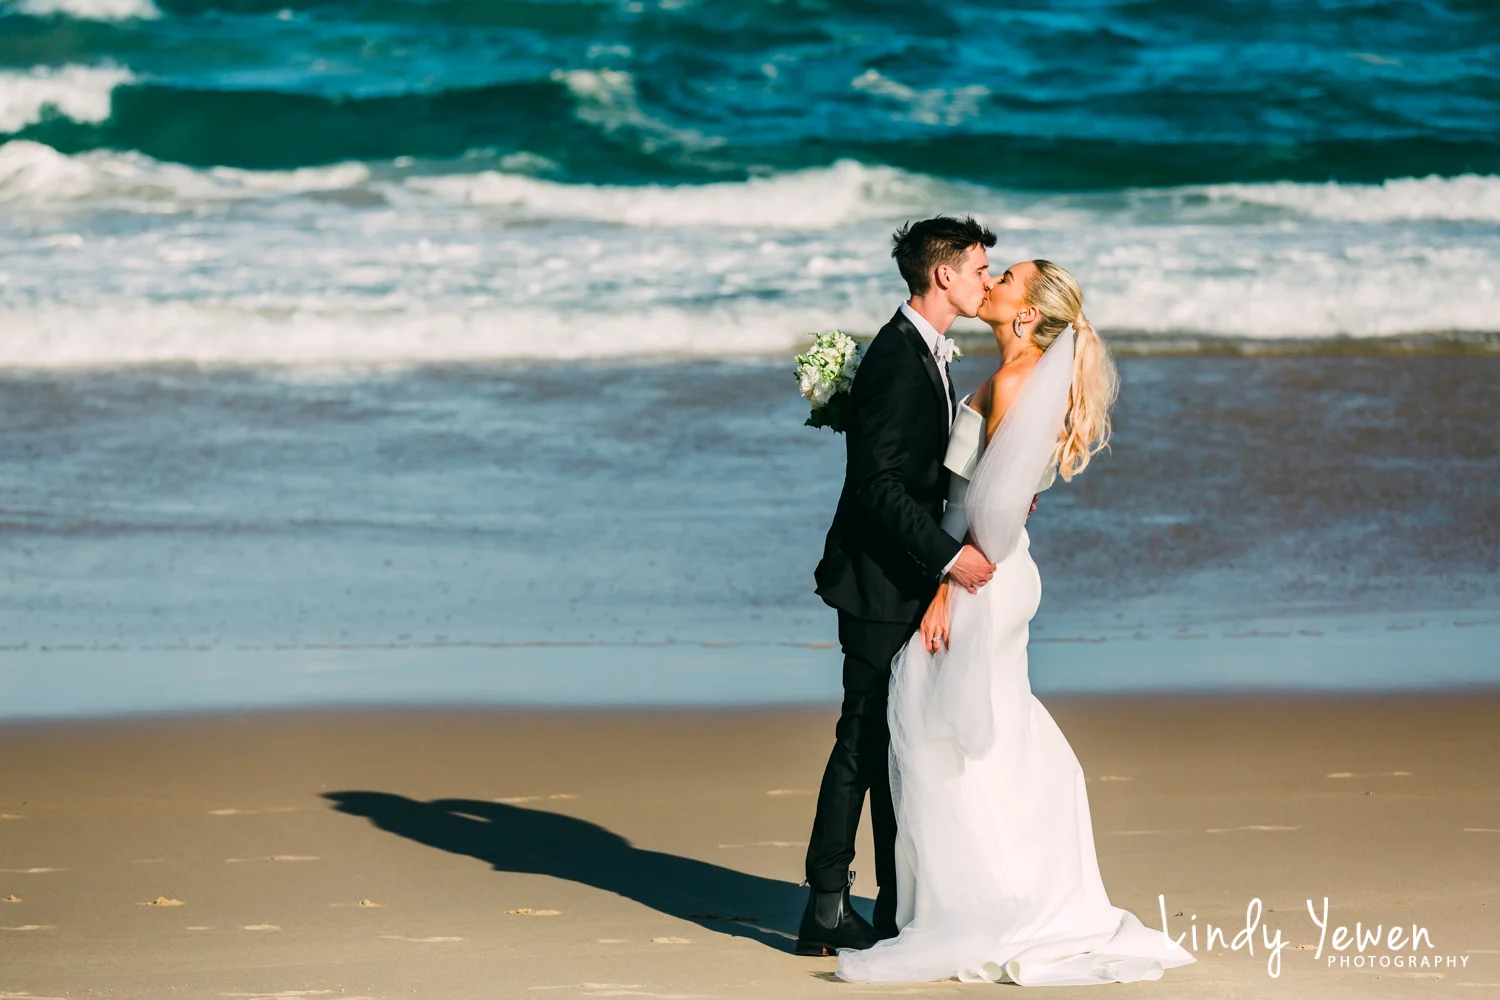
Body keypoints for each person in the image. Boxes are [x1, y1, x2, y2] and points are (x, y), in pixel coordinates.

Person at [835, 260, 1198, 985]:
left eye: (1005, 277)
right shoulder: (1021, 377)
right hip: (998, 568)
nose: (992, 283)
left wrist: (948, 587)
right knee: (985, 728)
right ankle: (975, 893)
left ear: (1027, 313)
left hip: (983, 574)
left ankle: (978, 902)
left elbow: (993, 509)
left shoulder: (1013, 382)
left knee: (948, 732)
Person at [801, 215, 1000, 955]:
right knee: (862, 739)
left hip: (903, 578)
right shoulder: (893, 359)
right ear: (944, 275)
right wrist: (950, 558)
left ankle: (892, 902)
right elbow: (877, 487)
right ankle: (827, 904)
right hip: (879, 584)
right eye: (979, 269)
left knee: (892, 742)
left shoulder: (925, 351)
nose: (987, 282)